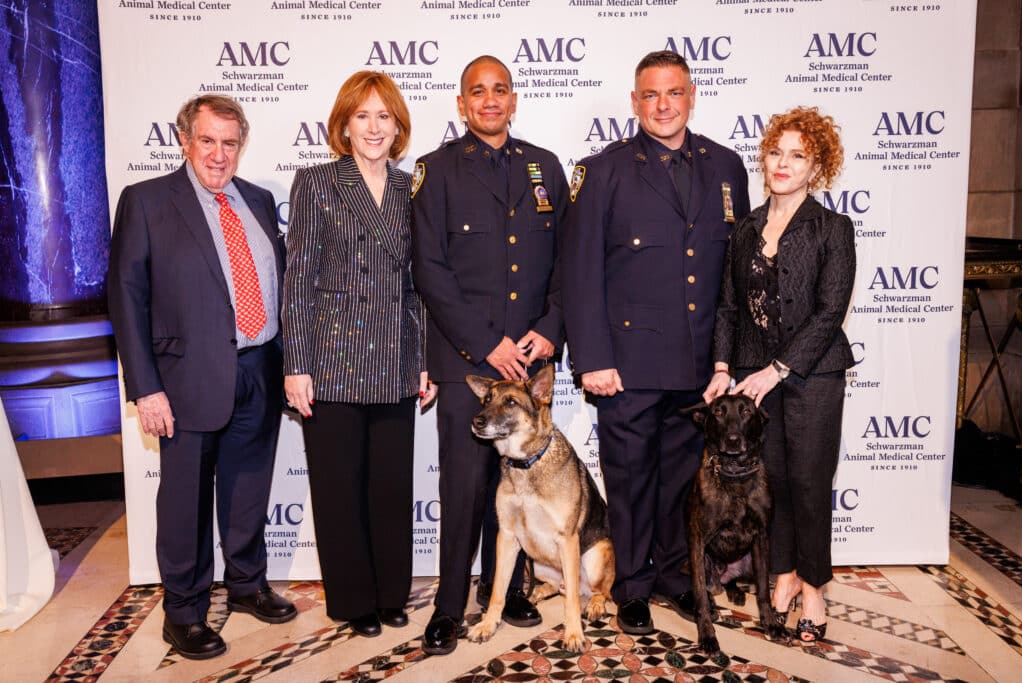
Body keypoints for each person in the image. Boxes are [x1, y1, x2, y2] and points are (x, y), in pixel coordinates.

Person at [562, 50, 750, 635]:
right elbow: (580, 271)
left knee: (683, 484)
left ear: (691, 96)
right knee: (631, 479)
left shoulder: (726, 165)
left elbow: (733, 275)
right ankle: (633, 587)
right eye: (650, 95)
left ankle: (677, 578)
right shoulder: (604, 170)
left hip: (698, 367)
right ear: (634, 102)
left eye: (673, 93)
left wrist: (727, 361)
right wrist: (592, 358)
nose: (663, 105)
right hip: (627, 365)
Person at [108, 94, 296, 660]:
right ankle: (184, 612)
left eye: (230, 142)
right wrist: (145, 387)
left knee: (247, 489)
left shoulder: (260, 202)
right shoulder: (146, 202)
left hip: (259, 368)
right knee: (185, 501)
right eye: (208, 140)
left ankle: (246, 584)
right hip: (184, 380)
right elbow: (126, 296)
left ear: (242, 145)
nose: (219, 154)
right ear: (185, 141)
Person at [412, 55, 569, 655]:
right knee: (465, 486)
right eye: (477, 91)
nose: (489, 100)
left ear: (514, 98)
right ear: (461, 104)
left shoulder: (545, 168)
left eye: (499, 90)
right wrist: (486, 345)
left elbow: (565, 266)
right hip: (466, 362)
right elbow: (431, 271)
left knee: (519, 489)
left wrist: (550, 328)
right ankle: (450, 605)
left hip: (528, 368)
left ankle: (510, 589)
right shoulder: (436, 171)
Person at [281, 71, 434, 638]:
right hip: (331, 362)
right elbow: (298, 281)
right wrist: (295, 364)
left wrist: (424, 361)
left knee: (391, 487)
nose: (374, 128)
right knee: (340, 490)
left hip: (396, 359)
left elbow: (420, 284)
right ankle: (353, 600)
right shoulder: (317, 183)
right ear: (344, 126)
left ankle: (391, 593)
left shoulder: (410, 188)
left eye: (384, 117)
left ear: (398, 127)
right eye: (362, 116)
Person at [703, 106, 855, 643]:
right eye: (775, 152)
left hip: (813, 375)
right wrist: (724, 367)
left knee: (811, 484)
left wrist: (777, 369)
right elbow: (727, 307)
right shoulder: (744, 228)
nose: (782, 164)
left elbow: (830, 311)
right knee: (773, 483)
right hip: (749, 379)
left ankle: (813, 587)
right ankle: (783, 574)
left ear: (816, 168)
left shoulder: (832, 228)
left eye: (798, 156)